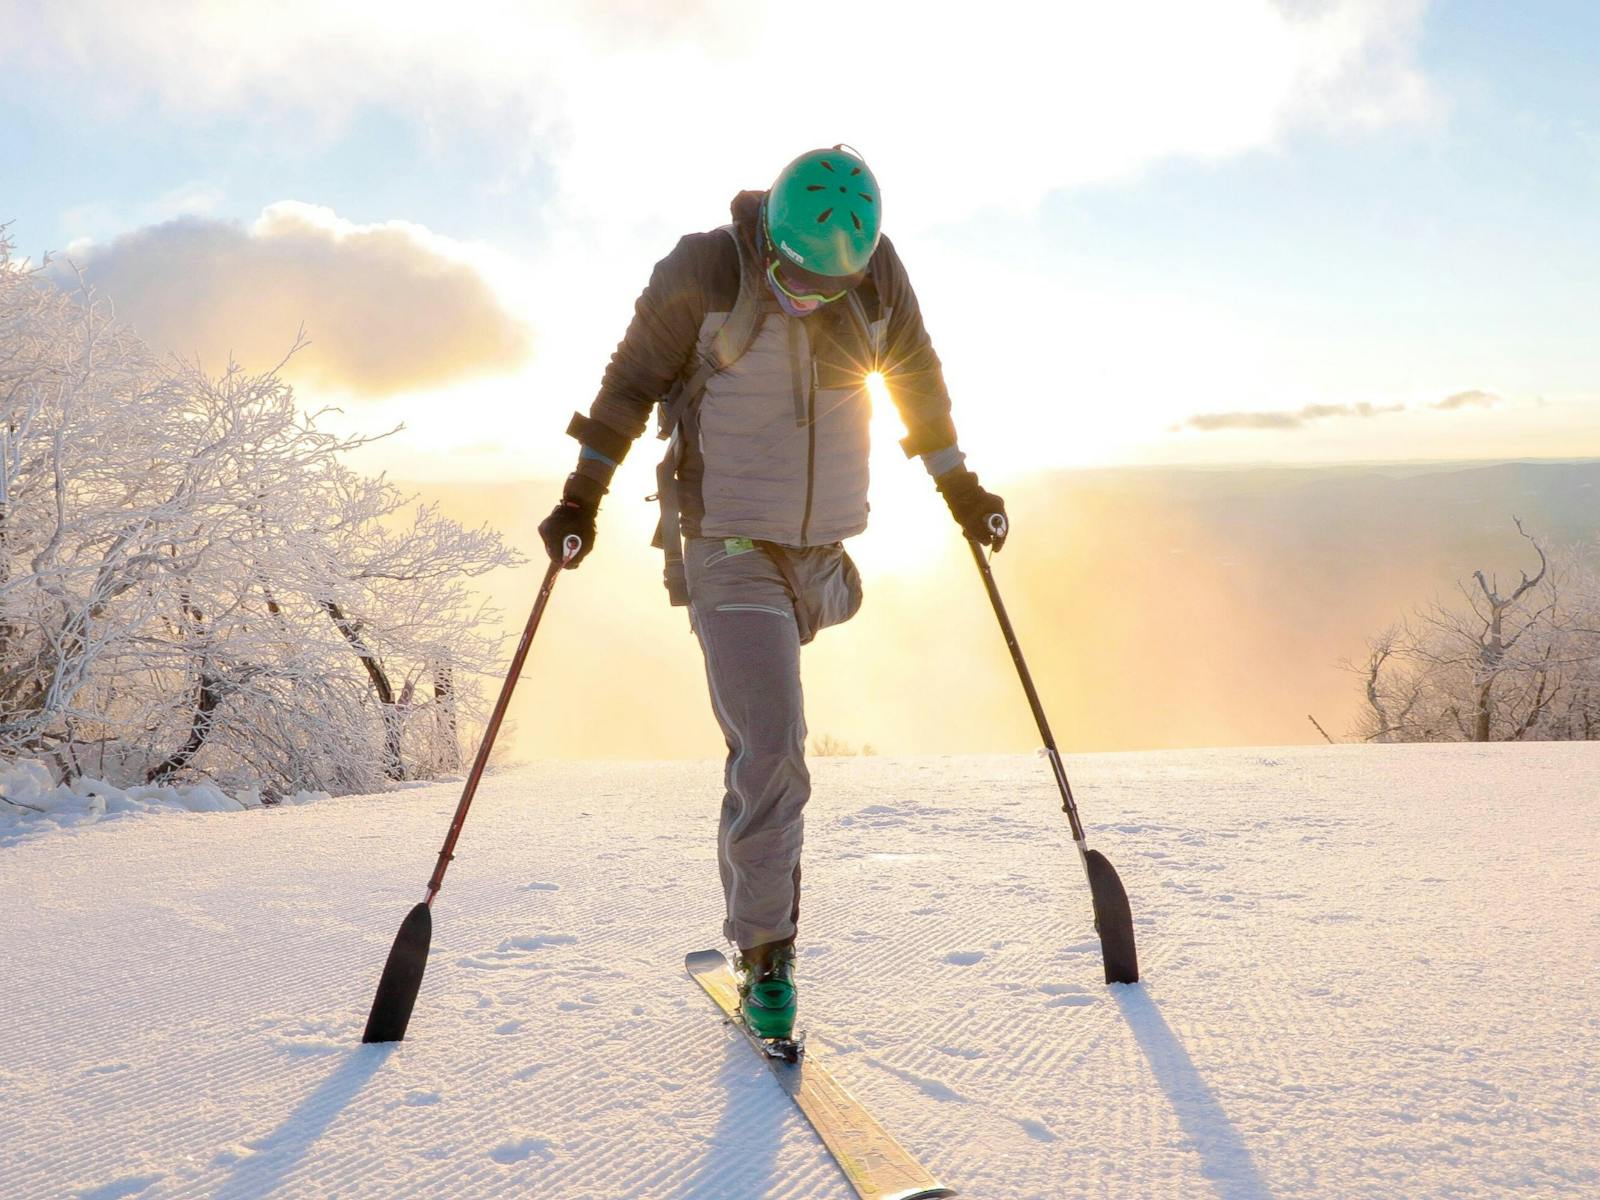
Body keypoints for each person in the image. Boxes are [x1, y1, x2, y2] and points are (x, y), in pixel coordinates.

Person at [539, 146, 1006, 1042]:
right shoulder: (705, 269)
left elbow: (917, 382)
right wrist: (580, 498)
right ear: (771, 245)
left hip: (821, 556)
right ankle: (769, 957)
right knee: (774, 749)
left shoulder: (876, 278)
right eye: (796, 282)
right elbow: (629, 386)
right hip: (728, 545)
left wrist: (964, 490)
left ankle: (760, 893)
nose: (811, 299)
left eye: (832, 287)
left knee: (766, 741)